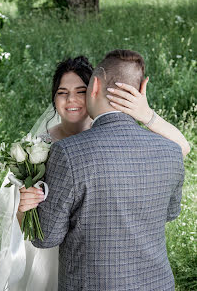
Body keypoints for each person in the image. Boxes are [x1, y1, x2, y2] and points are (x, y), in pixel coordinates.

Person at [20, 50, 188, 290]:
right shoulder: (170, 151)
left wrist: (24, 210)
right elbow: (170, 213)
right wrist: (147, 115)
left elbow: (45, 237)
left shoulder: (68, 153)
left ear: (94, 85)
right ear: (141, 89)